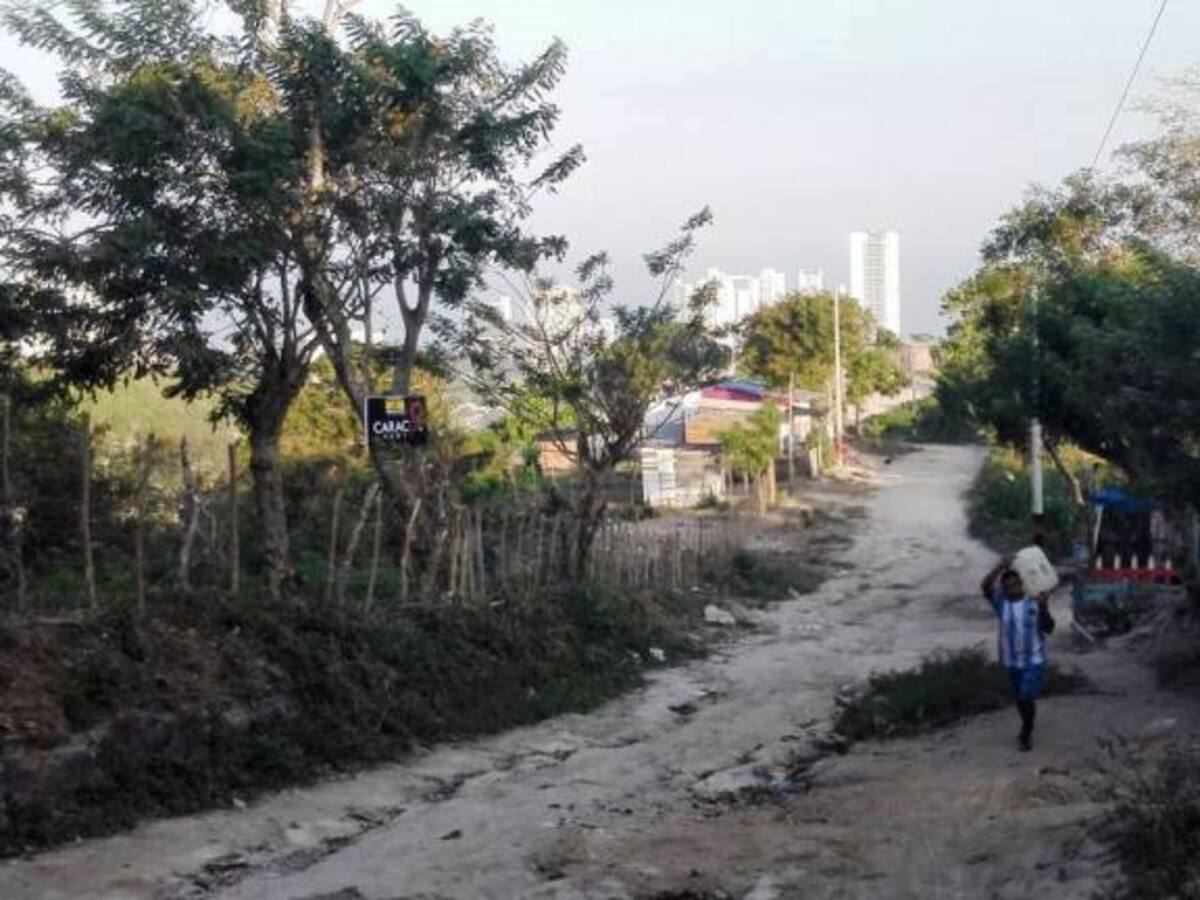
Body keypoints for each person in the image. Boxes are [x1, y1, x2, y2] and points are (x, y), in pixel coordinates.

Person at [980, 559, 1054, 752]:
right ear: (1004, 589)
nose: (1012, 587)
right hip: (1011, 662)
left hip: (1033, 661)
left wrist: (1044, 607)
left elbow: (1049, 628)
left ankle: (1026, 734)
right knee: (1020, 699)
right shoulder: (1001, 604)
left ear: (1022, 583)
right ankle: (1025, 726)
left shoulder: (1034, 603)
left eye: (1015, 583)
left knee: (1027, 697)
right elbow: (985, 586)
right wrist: (1000, 566)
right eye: (1008, 585)